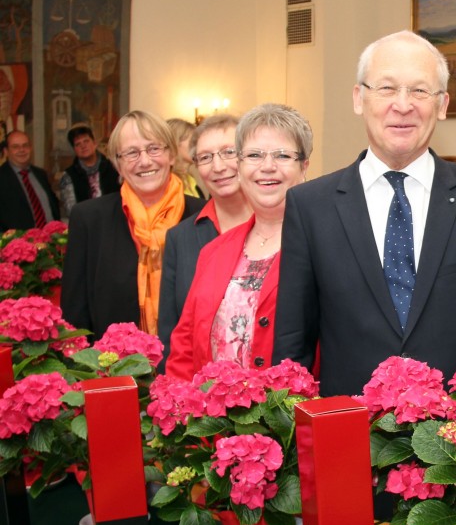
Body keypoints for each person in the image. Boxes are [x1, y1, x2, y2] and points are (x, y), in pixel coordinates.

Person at [273, 30, 456, 397]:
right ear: (358, 98)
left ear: (442, 104)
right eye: (386, 88)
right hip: (349, 435)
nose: (403, 105)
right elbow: (292, 344)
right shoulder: (310, 205)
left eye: (419, 91)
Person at [165, 104, 309, 378]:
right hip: (211, 417)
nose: (267, 167)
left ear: (303, 167)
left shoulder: (323, 245)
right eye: (254, 155)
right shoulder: (213, 251)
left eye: (282, 155)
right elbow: (184, 347)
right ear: (241, 168)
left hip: (289, 415)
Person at [61, 111, 204, 337]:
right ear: (117, 164)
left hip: (191, 367)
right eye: (131, 153)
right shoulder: (89, 219)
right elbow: (75, 314)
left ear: (171, 156)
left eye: (154, 148)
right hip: (112, 366)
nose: (145, 161)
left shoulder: (203, 216)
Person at [158, 114, 253, 367]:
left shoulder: (282, 228)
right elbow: (171, 331)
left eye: (228, 152)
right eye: (205, 157)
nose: (218, 166)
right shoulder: (180, 238)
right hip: (201, 390)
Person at [0, 130, 60, 230]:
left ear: (30, 148)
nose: (22, 150)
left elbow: (53, 206)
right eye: (15, 147)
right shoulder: (2, 178)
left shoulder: (40, 174)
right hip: (18, 243)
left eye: (25, 145)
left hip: (51, 241)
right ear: (6, 151)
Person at [58, 124, 121, 217]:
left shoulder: (114, 167)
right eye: (78, 144)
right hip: (86, 225)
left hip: (115, 220)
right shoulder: (68, 176)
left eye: (86, 141)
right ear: (74, 149)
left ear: (94, 143)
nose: (83, 146)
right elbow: (72, 211)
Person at [167, 118, 204, 199]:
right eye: (192, 141)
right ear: (175, 143)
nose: (198, 146)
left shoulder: (191, 181)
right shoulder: (167, 184)